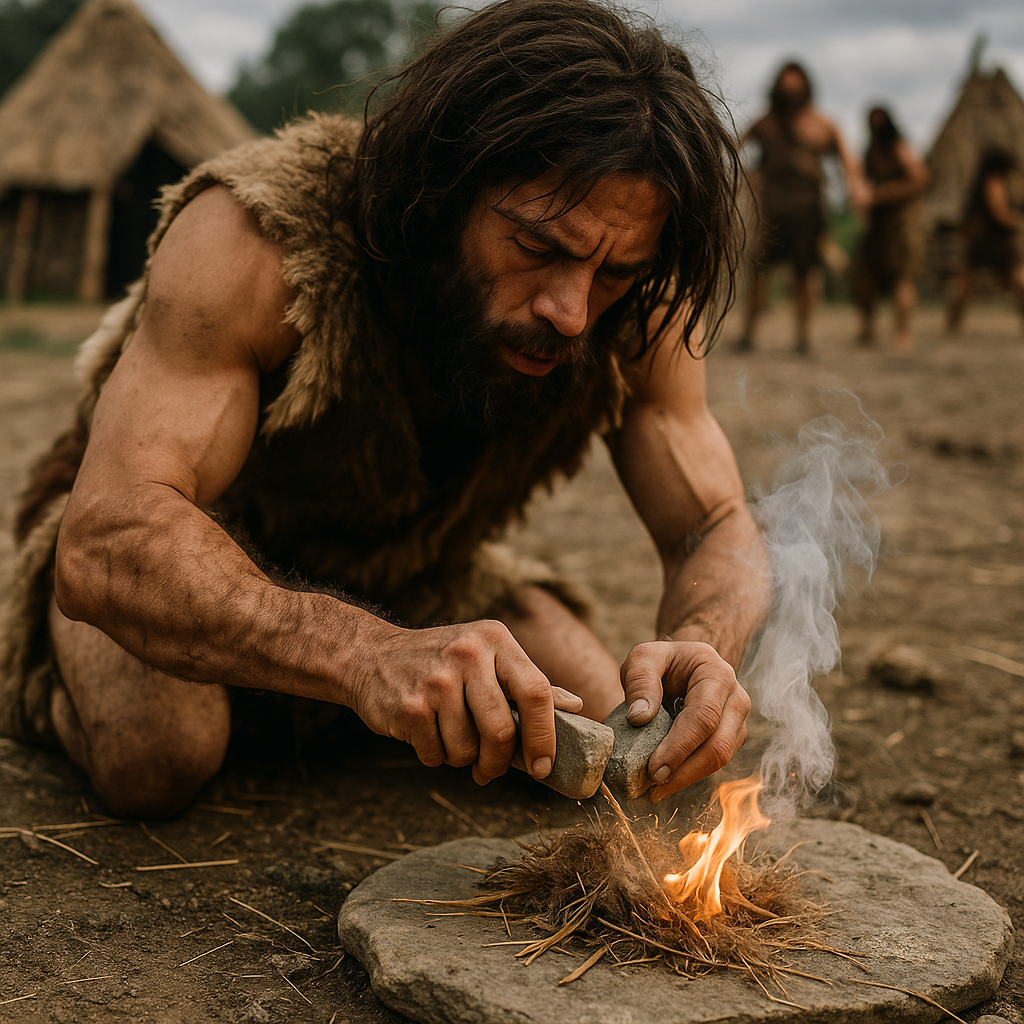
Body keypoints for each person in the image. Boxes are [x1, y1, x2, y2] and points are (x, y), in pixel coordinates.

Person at [0, 0, 771, 819]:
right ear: (441, 193)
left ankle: (355, 695)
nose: (573, 312)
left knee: (602, 749)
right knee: (158, 756)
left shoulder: (635, 307)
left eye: (612, 272)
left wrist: (703, 647)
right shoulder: (257, 239)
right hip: (179, 549)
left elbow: (715, 520)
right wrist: (366, 654)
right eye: (539, 247)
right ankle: (58, 691)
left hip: (414, 572)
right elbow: (111, 537)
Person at [738, 61, 866, 354]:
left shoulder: (823, 125)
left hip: (808, 209)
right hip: (770, 208)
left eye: (796, 88)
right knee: (759, 272)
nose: (790, 93)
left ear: (806, 90)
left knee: (804, 274)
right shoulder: (765, 123)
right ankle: (747, 333)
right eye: (786, 88)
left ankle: (803, 337)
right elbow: (735, 148)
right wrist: (748, 180)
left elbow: (849, 163)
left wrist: (856, 189)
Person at [852, 106, 930, 352]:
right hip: (878, 225)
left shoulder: (900, 148)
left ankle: (903, 331)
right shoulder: (870, 152)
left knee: (902, 277)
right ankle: (867, 327)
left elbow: (920, 178)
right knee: (866, 276)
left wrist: (882, 195)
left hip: (901, 225)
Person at [946, 146, 1024, 333]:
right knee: (1016, 279)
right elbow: (999, 211)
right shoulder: (994, 181)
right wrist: (1017, 222)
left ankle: (954, 322)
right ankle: (954, 322)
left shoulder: (982, 182)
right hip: (994, 240)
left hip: (982, 239)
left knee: (967, 281)